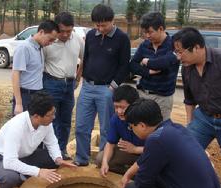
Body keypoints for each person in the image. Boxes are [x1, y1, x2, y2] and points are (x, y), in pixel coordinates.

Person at [122, 98, 221, 188]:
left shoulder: (155, 140)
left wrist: (136, 176)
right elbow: (146, 159)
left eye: (132, 127)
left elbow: (143, 183)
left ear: (141, 125)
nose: (132, 130)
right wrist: (130, 172)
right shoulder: (174, 129)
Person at [0, 92, 76, 188]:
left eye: (53, 113)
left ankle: (24, 175)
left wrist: (58, 158)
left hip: (26, 156)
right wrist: (39, 172)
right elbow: (9, 162)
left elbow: (51, 141)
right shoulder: (16, 127)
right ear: (36, 116)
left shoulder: (46, 123)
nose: (53, 117)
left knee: (61, 159)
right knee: (9, 177)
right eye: (50, 115)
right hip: (2, 159)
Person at [74, 4, 131, 166]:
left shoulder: (122, 38)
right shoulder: (91, 35)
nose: (100, 28)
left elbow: (124, 66)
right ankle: (81, 159)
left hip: (106, 89)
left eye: (103, 25)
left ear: (112, 21)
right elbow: (86, 59)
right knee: (81, 126)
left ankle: (104, 161)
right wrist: (81, 78)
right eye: (97, 25)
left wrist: (112, 87)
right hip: (87, 87)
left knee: (107, 129)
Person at [172, 27, 221, 158]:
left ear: (196, 47)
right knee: (184, 152)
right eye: (176, 53)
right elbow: (189, 99)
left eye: (180, 52)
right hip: (204, 118)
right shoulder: (187, 68)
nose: (178, 57)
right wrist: (190, 124)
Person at [43, 12, 84, 160]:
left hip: (69, 85)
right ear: (56, 28)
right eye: (62, 31)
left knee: (65, 120)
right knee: (50, 119)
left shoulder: (78, 40)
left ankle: (61, 150)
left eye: (69, 31)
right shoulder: (48, 42)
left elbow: (84, 58)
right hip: (51, 83)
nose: (66, 34)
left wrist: (78, 77)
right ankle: (50, 153)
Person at [130, 12, 179, 121]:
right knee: (140, 127)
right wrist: (147, 72)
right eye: (145, 33)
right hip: (143, 95)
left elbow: (163, 64)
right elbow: (133, 65)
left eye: (150, 32)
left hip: (162, 98)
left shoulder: (173, 45)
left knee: (160, 131)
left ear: (161, 28)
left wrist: (147, 62)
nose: (147, 36)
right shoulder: (144, 45)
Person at [11, 20, 59, 116]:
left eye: (53, 41)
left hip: (37, 95)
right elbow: (15, 75)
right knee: (22, 128)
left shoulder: (39, 48)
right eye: (50, 39)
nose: (51, 43)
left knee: (34, 129)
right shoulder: (24, 48)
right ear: (41, 32)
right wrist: (19, 103)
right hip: (25, 95)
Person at [95, 85, 144, 176]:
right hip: (130, 153)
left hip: (146, 154)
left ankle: (137, 175)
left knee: (152, 165)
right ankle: (131, 174)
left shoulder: (145, 117)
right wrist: (105, 162)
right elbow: (110, 143)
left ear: (134, 105)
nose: (119, 111)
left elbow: (156, 149)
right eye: (116, 107)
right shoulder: (116, 119)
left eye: (123, 107)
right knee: (100, 159)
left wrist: (135, 149)